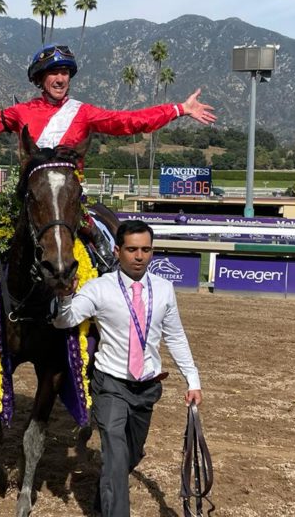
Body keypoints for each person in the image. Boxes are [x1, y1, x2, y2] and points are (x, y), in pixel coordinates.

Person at [0, 43, 217, 270]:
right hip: (30, 200)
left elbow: (129, 121)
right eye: (53, 73)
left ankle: (108, 271)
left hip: (72, 202)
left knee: (101, 243)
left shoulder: (83, 113)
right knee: (2, 246)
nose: (60, 79)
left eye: (64, 73)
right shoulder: (22, 112)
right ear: (40, 79)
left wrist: (178, 109)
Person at [53, 219, 202, 517]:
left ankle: (104, 496)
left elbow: (175, 336)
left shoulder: (164, 289)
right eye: (132, 249)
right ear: (118, 250)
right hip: (111, 385)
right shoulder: (98, 288)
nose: (139, 256)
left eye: (146, 249)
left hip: (147, 389)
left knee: (129, 457)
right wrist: (66, 295)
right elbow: (64, 320)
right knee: (117, 456)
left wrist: (193, 380)